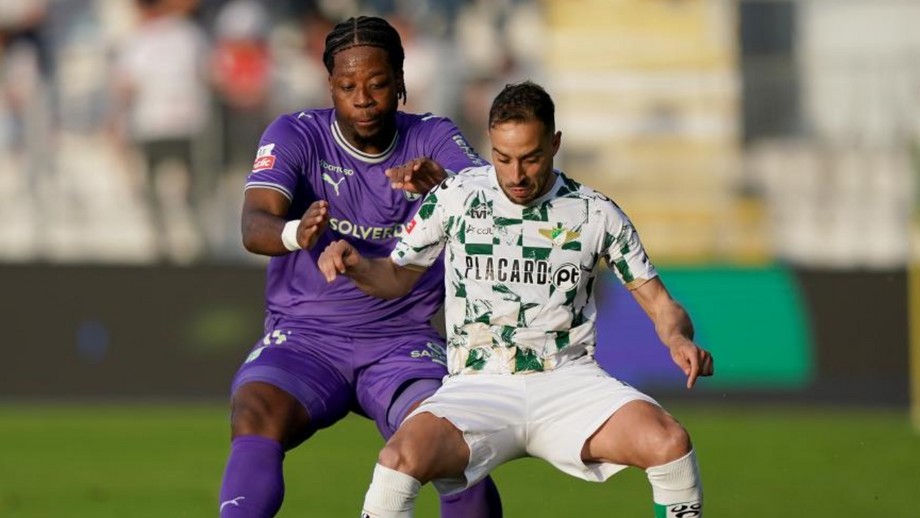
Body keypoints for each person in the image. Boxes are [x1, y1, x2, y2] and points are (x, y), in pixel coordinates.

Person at [318, 81, 715, 518]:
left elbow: (660, 303)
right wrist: (356, 264)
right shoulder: (457, 196)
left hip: (569, 380)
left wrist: (678, 339)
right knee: (396, 465)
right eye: (503, 158)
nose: (517, 175)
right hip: (478, 384)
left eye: (531, 158)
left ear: (555, 143)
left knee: (669, 444)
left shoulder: (595, 212)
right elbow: (395, 277)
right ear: (490, 143)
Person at [219, 16, 503, 518]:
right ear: (330, 86)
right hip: (306, 336)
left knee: (452, 441)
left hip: (402, 338)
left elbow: (493, 210)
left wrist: (445, 186)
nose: (363, 98)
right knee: (254, 412)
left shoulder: (432, 137)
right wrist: (295, 232)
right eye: (348, 86)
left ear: (400, 83)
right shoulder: (295, 134)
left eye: (376, 84)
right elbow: (253, 223)